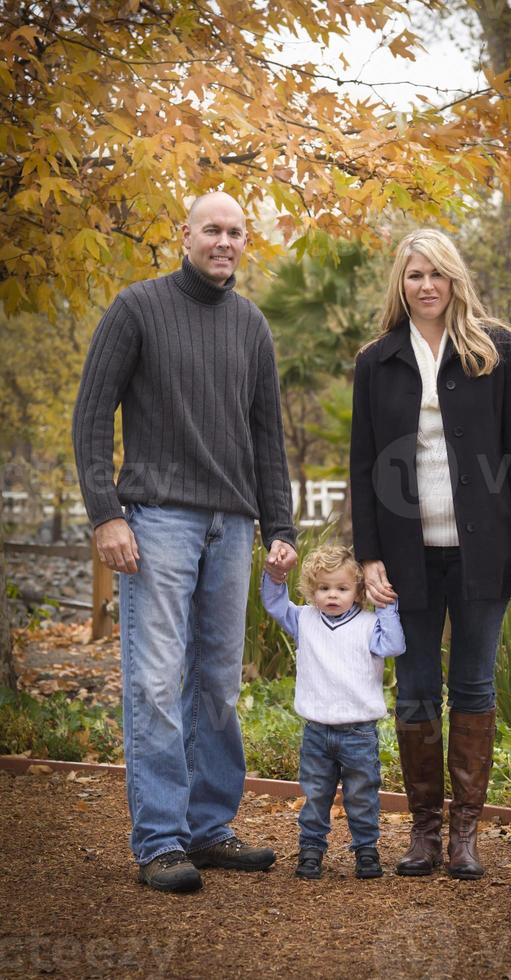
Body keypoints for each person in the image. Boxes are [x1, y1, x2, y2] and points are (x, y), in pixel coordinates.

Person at [73, 191, 297, 893]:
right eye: (211, 229)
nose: (223, 241)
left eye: (235, 231)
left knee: (219, 685)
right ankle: (161, 841)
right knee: (155, 682)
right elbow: (90, 416)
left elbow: (268, 438)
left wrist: (280, 525)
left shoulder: (252, 325)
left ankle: (208, 829)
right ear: (185, 235)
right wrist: (106, 514)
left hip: (231, 526)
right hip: (157, 521)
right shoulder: (136, 308)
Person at [350, 229, 511, 880]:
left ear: (455, 279)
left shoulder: (495, 350)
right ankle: (423, 834)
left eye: (437, 273)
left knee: (472, 685)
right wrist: (370, 557)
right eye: (414, 275)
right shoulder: (376, 361)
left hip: (483, 551)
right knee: (413, 693)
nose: (426, 285)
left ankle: (465, 836)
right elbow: (361, 467)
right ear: (400, 284)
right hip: (406, 558)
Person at [261, 545, 405, 879]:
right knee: (314, 796)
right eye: (324, 588)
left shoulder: (369, 625)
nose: (332, 595)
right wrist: (275, 575)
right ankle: (311, 850)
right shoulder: (305, 620)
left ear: (358, 591)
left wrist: (386, 606)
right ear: (312, 591)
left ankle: (366, 850)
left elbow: (394, 645)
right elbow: (274, 603)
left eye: (342, 588)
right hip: (317, 732)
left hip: (358, 732)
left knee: (362, 796)